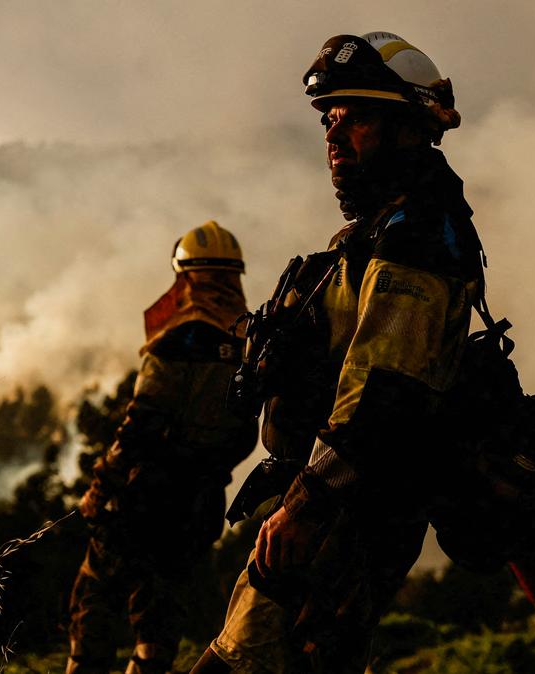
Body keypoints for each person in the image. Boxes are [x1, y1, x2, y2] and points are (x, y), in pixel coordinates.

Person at [191, 31, 478, 673]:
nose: (334, 134)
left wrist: (306, 505)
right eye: (330, 117)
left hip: (345, 518)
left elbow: (385, 393)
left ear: (408, 127)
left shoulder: (419, 240)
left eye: (357, 116)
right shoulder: (378, 230)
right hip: (321, 511)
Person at [66, 220, 258, 674]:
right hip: (199, 504)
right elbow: (244, 433)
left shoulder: (178, 339)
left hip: (143, 496)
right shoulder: (248, 342)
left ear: (186, 276)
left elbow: (141, 424)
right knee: (161, 609)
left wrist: (101, 486)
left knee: (93, 597)